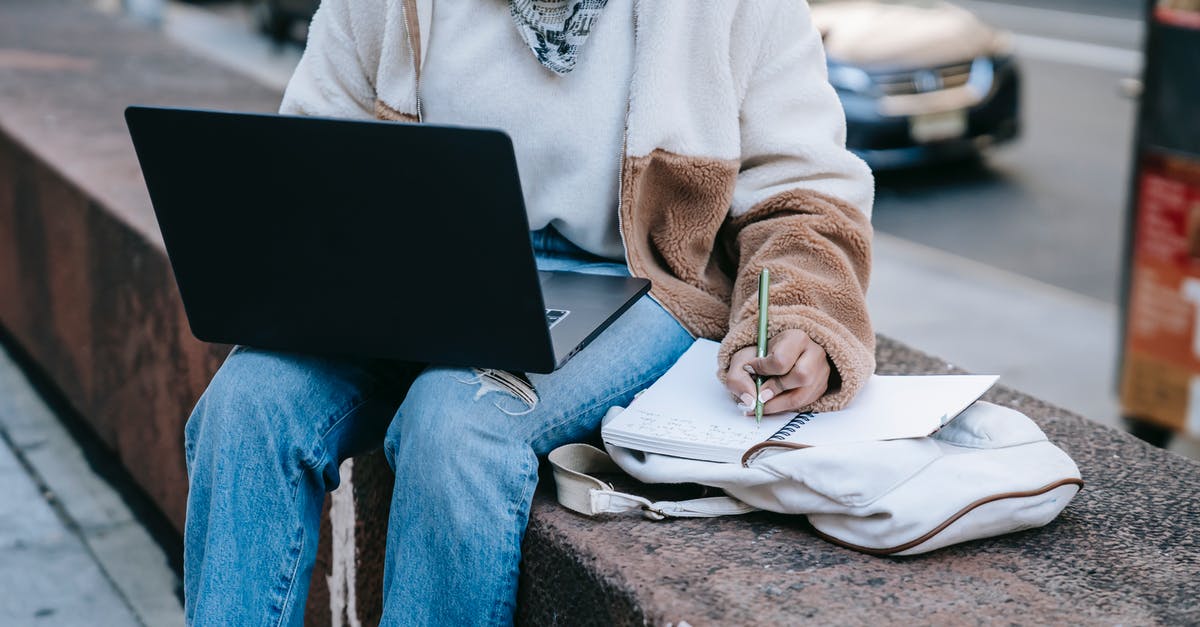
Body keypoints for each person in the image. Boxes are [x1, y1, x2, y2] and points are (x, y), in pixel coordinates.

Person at [182, 0, 876, 624]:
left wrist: (801, 313)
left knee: (456, 426)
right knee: (247, 403)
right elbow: (313, 147)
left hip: (630, 276)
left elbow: (805, 193)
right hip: (413, 263)